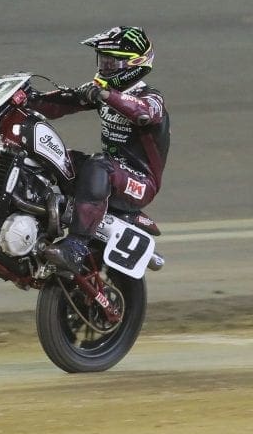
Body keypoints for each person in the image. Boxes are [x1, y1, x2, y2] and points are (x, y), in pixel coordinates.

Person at [28, 26, 170, 273]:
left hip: (140, 184)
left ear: (135, 64)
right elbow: (59, 104)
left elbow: (144, 113)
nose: (104, 67)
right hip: (111, 174)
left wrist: (105, 95)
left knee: (98, 163)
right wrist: (25, 98)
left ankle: (76, 246)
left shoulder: (151, 98)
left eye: (112, 62)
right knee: (56, 157)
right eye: (102, 60)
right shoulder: (103, 92)